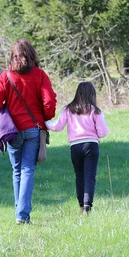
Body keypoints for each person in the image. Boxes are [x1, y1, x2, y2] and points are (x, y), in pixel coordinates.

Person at [0, 39, 57, 224]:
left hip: (12, 131)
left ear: (13, 57)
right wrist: (46, 117)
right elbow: (49, 101)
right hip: (33, 129)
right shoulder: (40, 75)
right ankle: (22, 214)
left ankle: (20, 213)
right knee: (27, 170)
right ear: (31, 55)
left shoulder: (6, 76)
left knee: (17, 171)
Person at [45, 82, 109, 215]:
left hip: (75, 146)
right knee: (90, 177)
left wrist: (45, 123)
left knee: (79, 176)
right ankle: (87, 206)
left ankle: (81, 204)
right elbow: (103, 132)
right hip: (91, 145)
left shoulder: (69, 109)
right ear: (92, 94)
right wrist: (95, 133)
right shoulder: (95, 110)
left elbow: (58, 126)